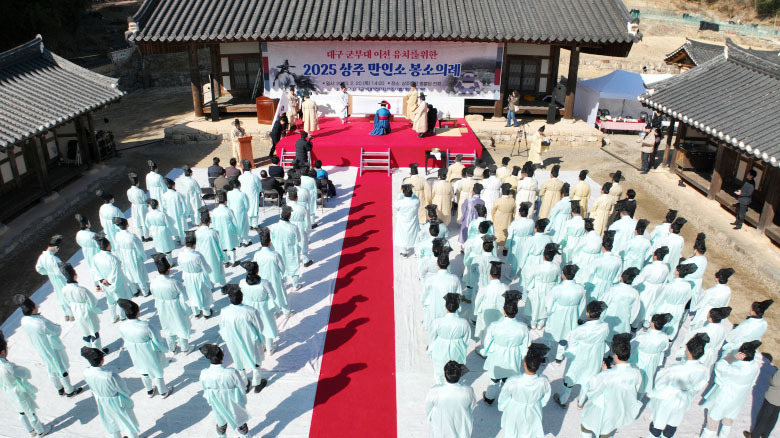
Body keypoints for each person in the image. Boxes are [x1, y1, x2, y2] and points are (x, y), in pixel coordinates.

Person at [13, 294, 82, 397]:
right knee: (60, 368)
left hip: (40, 348)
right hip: (51, 348)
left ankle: (59, 389)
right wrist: (57, 326)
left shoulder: (24, 321)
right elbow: (56, 330)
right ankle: (70, 390)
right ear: (33, 310)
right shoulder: (40, 322)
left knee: (50, 368)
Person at [646, 334, 712, 438]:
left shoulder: (676, 369)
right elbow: (700, 385)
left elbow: (660, 383)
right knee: (673, 422)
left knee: (658, 421)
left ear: (688, 352)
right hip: (684, 399)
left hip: (668, 398)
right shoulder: (704, 370)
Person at [580, 333, 642, 438]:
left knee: (586, 427)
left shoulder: (606, 376)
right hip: (616, 409)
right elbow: (634, 389)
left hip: (599, 408)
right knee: (605, 431)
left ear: (615, 355)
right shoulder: (636, 373)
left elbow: (593, 388)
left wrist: (604, 372)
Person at [700, 341, 763, 438]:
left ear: (742, 355)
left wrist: (732, 358)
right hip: (738, 400)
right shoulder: (755, 367)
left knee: (712, 422)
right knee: (728, 422)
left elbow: (719, 367)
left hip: (723, 399)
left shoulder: (735, 370)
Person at [554, 300, 609, 408]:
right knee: (588, 378)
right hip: (595, 356)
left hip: (580, 356)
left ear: (588, 313)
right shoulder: (605, 326)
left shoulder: (580, 330)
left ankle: (563, 400)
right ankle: (581, 402)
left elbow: (571, 343)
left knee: (572, 376)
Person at [0, 331, 54, 436]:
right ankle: (40, 431)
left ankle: (30, 431)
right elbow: (24, 373)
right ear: (2, 352)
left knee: (21, 412)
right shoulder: (7, 366)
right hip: (18, 391)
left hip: (9, 392)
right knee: (30, 411)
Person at [117, 299, 173, 398]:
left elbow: (124, 338)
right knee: (157, 370)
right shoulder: (146, 325)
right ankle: (163, 392)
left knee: (142, 370)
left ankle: (149, 391)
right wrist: (164, 349)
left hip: (134, 351)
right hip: (148, 351)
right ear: (138, 312)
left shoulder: (122, 326)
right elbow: (157, 340)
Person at [482, 290, 530, 404]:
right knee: (508, 379)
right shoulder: (523, 328)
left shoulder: (495, 326)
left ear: (504, 310)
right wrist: (522, 355)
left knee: (494, 378)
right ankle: (505, 399)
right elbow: (526, 346)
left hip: (497, 355)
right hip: (513, 356)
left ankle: (489, 398)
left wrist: (487, 352)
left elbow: (487, 343)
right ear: (516, 311)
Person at [80, 347, 140, 438]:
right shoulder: (110, 375)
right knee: (128, 423)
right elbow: (123, 389)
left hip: (101, 401)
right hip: (117, 401)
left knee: (111, 423)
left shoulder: (86, 372)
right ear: (102, 360)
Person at [219, 284, 268, 393]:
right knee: (255, 360)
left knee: (238, 361)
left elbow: (222, 328)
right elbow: (259, 327)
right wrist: (261, 341)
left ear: (230, 299)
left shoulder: (224, 312)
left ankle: (245, 384)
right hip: (250, 340)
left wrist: (228, 339)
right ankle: (257, 383)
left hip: (233, 341)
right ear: (242, 297)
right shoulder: (251, 311)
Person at [497, 343, 551, 438]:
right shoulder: (543, 381)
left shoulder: (513, 381)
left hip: (515, 410)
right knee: (530, 431)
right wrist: (538, 404)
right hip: (534, 409)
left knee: (513, 431)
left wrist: (502, 407)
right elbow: (546, 396)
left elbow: (504, 397)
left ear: (525, 364)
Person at [198, 344, 251, 438]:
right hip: (233, 402)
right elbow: (242, 387)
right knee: (240, 422)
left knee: (221, 421)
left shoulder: (204, 373)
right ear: (222, 357)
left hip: (217, 402)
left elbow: (205, 389)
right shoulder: (231, 372)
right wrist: (243, 402)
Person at [149, 253, 193, 354]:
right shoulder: (174, 283)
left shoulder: (153, 282)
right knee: (180, 325)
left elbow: (154, 295)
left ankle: (172, 348)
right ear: (168, 269)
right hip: (175, 307)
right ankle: (185, 348)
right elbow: (183, 297)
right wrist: (186, 310)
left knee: (168, 327)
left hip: (162, 307)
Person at [60, 263, 106, 351]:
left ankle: (90, 351)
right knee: (93, 331)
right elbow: (93, 302)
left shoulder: (64, 289)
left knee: (85, 332)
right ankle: (99, 352)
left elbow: (66, 301)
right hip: (86, 311)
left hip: (76, 311)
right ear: (75, 275)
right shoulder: (81, 290)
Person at [425, 361, 476, 438]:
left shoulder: (434, 391)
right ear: (460, 375)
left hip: (441, 427)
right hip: (460, 425)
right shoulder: (468, 390)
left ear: (444, 374)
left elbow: (428, 408)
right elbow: (472, 406)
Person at [545, 264, 586, 361]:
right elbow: (582, 305)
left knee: (549, 334)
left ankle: (545, 354)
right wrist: (578, 316)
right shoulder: (580, 289)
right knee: (565, 336)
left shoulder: (557, 288)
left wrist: (549, 312)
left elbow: (548, 303)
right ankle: (559, 356)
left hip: (557, 314)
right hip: (572, 315)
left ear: (563, 275)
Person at [428, 293, 471, 382]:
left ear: (445, 307)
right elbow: (466, 340)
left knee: (439, 372)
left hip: (440, 349)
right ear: (458, 307)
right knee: (455, 371)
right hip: (457, 350)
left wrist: (430, 350)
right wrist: (462, 348)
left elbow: (432, 338)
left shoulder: (437, 322)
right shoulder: (464, 323)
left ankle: (440, 386)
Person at [93, 235, 135, 323]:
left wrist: (102, 280)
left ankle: (113, 317)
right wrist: (110, 281)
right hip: (116, 283)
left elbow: (95, 270)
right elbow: (116, 273)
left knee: (110, 301)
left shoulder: (96, 257)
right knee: (121, 299)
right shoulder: (113, 258)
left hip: (104, 283)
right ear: (108, 245)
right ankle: (122, 316)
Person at [238, 262, 279, 353]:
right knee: (267, 326)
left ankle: (261, 345)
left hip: (249, 307)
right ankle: (269, 348)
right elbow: (273, 296)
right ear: (257, 270)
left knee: (255, 327)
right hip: (263, 307)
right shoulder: (264, 283)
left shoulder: (242, 282)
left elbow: (241, 294)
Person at [650, 263, 696, 339]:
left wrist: (654, 308)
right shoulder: (688, 285)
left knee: (662, 324)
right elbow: (688, 298)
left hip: (667, 307)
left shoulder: (670, 285)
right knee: (674, 324)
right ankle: (669, 338)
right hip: (679, 307)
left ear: (677, 272)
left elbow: (661, 298)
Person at [629, 313, 671, 395]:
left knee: (638, 376)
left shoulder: (643, 337)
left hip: (642, 358)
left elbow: (632, 346)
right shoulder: (665, 338)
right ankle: (642, 392)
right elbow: (665, 348)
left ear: (652, 323)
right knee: (648, 375)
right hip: (654, 359)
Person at [677, 306, 730, 371]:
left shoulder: (704, 330)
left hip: (700, 355)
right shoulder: (722, 330)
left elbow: (688, 339)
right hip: (711, 356)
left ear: (710, 318)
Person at [422, 252, 463, 337]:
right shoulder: (455, 279)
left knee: (433, 330)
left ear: (437, 264)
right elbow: (459, 296)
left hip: (434, 310)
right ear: (448, 264)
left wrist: (423, 304)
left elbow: (424, 295)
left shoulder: (430, 279)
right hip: (450, 310)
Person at [522, 243, 562, 329]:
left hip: (536, 287)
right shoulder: (557, 267)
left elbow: (529, 278)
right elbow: (558, 281)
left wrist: (528, 287)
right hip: (549, 288)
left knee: (535, 304)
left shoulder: (536, 267)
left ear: (543, 256)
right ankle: (541, 323)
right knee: (545, 305)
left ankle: (533, 322)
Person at [34, 235, 73, 321]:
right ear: (55, 247)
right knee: (66, 293)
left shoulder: (41, 257)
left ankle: (66, 313)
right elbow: (61, 271)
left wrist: (48, 272)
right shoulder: (54, 258)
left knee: (59, 294)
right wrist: (69, 278)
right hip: (60, 278)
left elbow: (38, 269)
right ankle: (71, 313)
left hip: (52, 278)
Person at [600, 268, 641, 350]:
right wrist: (630, 321)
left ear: (621, 278)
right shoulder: (635, 293)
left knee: (607, 339)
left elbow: (603, 303)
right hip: (624, 321)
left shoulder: (613, 289)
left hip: (609, 318)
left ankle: (606, 355)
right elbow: (635, 309)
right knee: (619, 341)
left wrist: (601, 317)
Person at [254, 227, 290, 315]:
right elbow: (282, 268)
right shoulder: (275, 255)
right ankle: (287, 312)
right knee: (281, 295)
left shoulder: (257, 255)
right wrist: (281, 275)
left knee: (268, 297)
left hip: (263, 279)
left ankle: (274, 313)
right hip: (275, 278)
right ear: (270, 242)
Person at [632, 246, 671, 329]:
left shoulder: (649, 267)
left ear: (655, 256)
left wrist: (633, 286)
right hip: (658, 289)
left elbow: (640, 279)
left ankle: (634, 325)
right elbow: (665, 281)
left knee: (642, 305)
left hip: (647, 288)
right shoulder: (666, 268)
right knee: (652, 306)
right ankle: (646, 324)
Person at [474, 262, 509, 348]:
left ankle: (484, 347)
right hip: (500, 312)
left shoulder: (484, 288)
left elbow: (477, 301)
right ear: (500, 275)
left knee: (486, 329)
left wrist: (477, 311)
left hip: (487, 312)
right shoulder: (505, 287)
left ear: (490, 275)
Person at [744, 354, 780, 438]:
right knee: (773, 418)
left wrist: (771, 378)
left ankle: (755, 435)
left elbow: (775, 382)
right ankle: (765, 435)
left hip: (772, 397)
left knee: (763, 417)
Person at [113, 217, 150, 297]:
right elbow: (139, 248)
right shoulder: (132, 236)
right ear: (127, 224)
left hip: (124, 256)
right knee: (139, 274)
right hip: (133, 256)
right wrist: (143, 257)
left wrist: (120, 257)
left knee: (128, 273)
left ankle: (134, 291)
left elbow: (117, 248)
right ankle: (145, 291)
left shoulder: (117, 235)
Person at [583, 231, 622, 302]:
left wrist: (586, 287)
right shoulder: (618, 260)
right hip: (610, 287)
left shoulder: (598, 260)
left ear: (602, 246)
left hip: (596, 287)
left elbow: (589, 275)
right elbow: (617, 277)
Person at [272, 206, 304, 290]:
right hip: (291, 250)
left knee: (280, 268)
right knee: (294, 267)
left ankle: (283, 284)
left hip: (278, 250)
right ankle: (296, 285)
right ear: (289, 216)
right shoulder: (293, 227)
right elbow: (298, 239)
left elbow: (272, 239)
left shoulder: (274, 227)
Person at [195, 207, 227, 286]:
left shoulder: (197, 233)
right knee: (219, 271)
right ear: (209, 221)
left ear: (201, 221)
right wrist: (224, 257)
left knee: (206, 272)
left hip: (203, 256)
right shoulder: (214, 232)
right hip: (214, 255)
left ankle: (210, 286)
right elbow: (220, 246)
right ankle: (223, 286)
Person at [505, 203, 535, 281]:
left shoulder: (515, 223)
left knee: (516, 258)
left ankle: (512, 274)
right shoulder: (531, 222)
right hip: (527, 240)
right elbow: (532, 232)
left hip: (517, 241)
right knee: (524, 256)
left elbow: (510, 233)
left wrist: (507, 244)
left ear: (519, 213)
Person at [212, 191, 241, 267]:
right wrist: (237, 232)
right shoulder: (228, 211)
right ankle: (234, 261)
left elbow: (213, 223)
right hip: (229, 231)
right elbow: (234, 222)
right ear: (226, 201)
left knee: (222, 247)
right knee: (231, 246)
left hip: (219, 231)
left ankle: (226, 262)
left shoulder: (214, 211)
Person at [287, 187, 313, 267]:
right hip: (300, 226)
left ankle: (294, 260)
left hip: (289, 226)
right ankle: (305, 259)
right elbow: (307, 221)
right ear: (297, 198)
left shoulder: (286, 208)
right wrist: (307, 231)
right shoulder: (302, 208)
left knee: (292, 243)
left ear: (288, 197)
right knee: (302, 243)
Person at [74, 214, 102, 285]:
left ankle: (96, 284)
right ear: (86, 225)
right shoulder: (93, 235)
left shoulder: (78, 234)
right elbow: (100, 245)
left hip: (86, 252)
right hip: (96, 252)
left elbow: (79, 242)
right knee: (99, 268)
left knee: (91, 267)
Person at [395, 184, 421, 257]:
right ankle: (417, 252)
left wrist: (400, 193)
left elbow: (396, 203)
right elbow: (416, 198)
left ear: (404, 193)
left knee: (402, 236)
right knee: (415, 236)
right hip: (413, 222)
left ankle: (404, 253)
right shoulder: (416, 201)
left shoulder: (401, 202)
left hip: (402, 222)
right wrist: (411, 192)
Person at [227, 178, 251, 248]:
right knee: (244, 227)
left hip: (232, 212)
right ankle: (246, 241)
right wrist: (244, 211)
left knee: (235, 227)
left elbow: (228, 203)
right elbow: (247, 205)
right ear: (239, 186)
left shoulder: (229, 193)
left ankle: (238, 241)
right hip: (241, 213)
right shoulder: (242, 194)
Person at [126, 172, 151, 241]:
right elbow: (145, 199)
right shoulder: (140, 191)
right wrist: (147, 204)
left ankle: (141, 236)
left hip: (134, 206)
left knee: (138, 222)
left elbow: (129, 199)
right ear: (137, 183)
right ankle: (147, 237)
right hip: (141, 207)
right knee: (144, 222)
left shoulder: (128, 191)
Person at [238, 159, 262, 229]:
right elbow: (260, 188)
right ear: (250, 168)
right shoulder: (255, 177)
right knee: (254, 210)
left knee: (246, 210)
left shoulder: (240, 177)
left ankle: (248, 225)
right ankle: (254, 225)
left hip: (244, 196)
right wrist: (257, 192)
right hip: (253, 196)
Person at [491, 183, 515, 248]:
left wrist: (494, 219)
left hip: (498, 220)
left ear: (502, 192)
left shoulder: (498, 200)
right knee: (506, 234)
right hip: (508, 220)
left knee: (497, 235)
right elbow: (514, 212)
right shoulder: (512, 201)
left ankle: (497, 247)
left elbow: (493, 211)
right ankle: (505, 248)